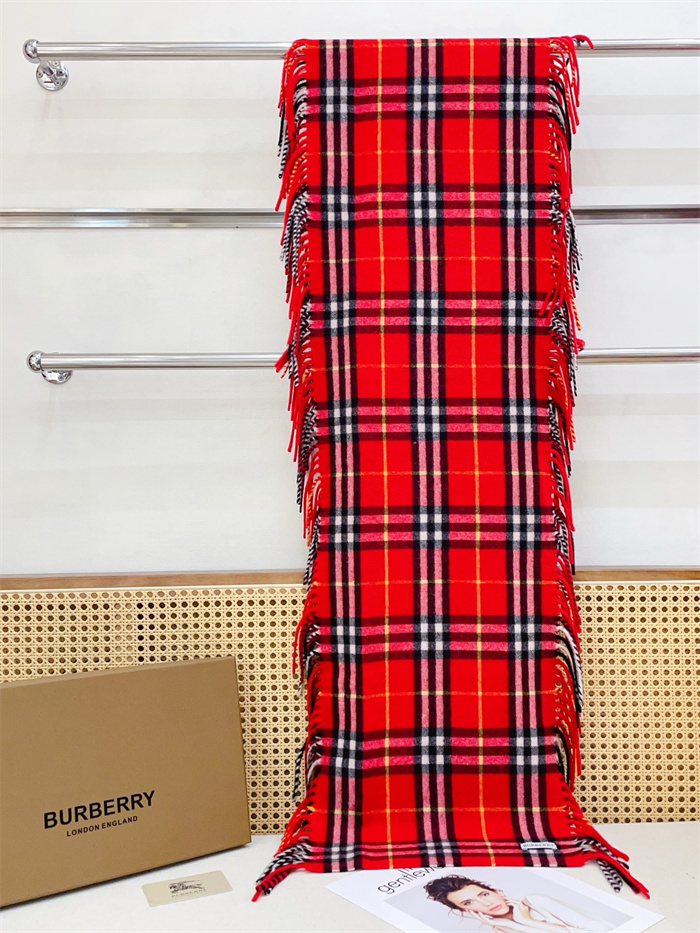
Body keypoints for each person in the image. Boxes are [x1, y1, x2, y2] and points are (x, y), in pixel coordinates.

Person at [423, 875, 615, 932]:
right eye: (469, 902)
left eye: (484, 894)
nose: (485, 903)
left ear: (497, 891)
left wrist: (527, 922)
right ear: (465, 911)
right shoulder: (499, 931)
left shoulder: (536, 901)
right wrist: (513, 926)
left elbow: (601, 930)